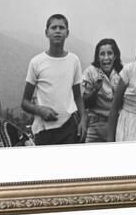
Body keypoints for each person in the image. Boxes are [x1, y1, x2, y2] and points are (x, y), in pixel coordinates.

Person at [21, 14, 87, 146]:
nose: (57, 31)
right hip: (44, 130)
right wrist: (40, 110)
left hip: (69, 127)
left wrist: (83, 121)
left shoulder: (74, 60)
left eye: (61, 28)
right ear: (47, 32)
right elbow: (24, 102)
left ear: (67, 33)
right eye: (53, 27)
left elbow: (78, 97)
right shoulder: (36, 62)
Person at [81, 38, 123, 143]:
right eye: (102, 54)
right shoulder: (90, 72)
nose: (106, 58)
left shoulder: (123, 72)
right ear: (97, 57)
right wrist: (95, 89)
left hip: (117, 124)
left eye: (110, 53)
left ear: (115, 56)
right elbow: (85, 102)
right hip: (95, 125)